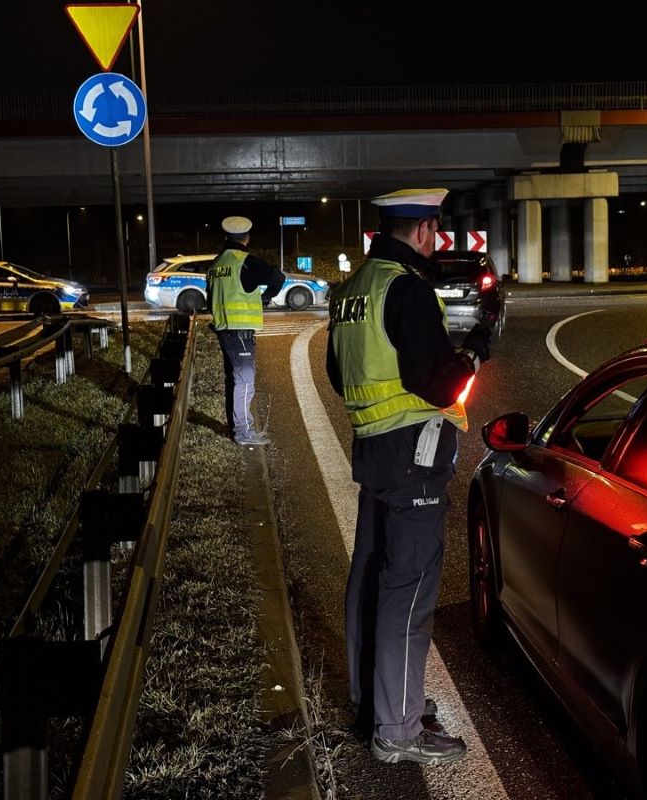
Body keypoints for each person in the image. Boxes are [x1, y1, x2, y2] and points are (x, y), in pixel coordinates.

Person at [326, 188, 492, 765]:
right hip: (414, 455)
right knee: (410, 589)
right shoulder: (408, 288)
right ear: (423, 231)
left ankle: (373, 702)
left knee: (369, 577)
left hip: (373, 449)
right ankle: (398, 729)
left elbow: (338, 373)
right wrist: (473, 353)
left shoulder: (353, 290)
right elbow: (439, 384)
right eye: (434, 230)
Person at [207, 215, 286, 446]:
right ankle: (243, 431)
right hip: (240, 330)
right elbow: (277, 276)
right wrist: (266, 297)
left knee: (233, 380)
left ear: (226, 237)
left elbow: (210, 299)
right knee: (245, 381)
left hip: (223, 329)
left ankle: (237, 427)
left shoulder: (215, 265)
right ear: (247, 238)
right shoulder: (245, 261)